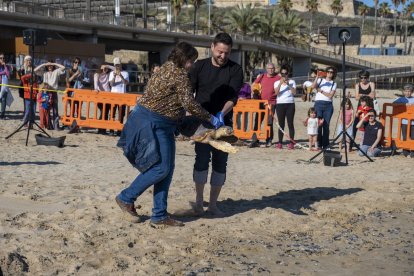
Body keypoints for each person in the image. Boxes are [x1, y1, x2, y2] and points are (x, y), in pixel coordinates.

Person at [115, 42, 221, 227]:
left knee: (167, 168)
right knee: (161, 168)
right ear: (184, 59)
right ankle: (126, 197)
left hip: (157, 122)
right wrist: (210, 117)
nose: (192, 65)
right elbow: (189, 103)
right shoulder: (179, 74)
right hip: (154, 123)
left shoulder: (165, 68)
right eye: (191, 61)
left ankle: (159, 215)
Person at [190, 32, 243, 216]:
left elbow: (232, 97)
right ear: (212, 47)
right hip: (202, 124)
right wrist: (201, 115)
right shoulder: (199, 66)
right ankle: (198, 202)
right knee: (201, 160)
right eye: (220, 52)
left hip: (223, 123)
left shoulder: (235, 69)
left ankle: (212, 204)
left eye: (226, 53)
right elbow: (189, 94)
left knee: (221, 163)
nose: (222, 56)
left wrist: (222, 113)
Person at [252, 63, 280, 147]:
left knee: (269, 122)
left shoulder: (278, 78)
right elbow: (254, 85)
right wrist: (255, 92)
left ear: (274, 69)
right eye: (269, 68)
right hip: (260, 102)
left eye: (272, 68)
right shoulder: (262, 76)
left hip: (271, 103)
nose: (270, 70)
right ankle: (255, 139)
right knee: (258, 121)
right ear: (266, 69)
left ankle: (269, 139)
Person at [312, 66, 337, 149]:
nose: (330, 73)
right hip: (318, 104)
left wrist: (320, 90)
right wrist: (317, 77)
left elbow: (330, 96)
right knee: (319, 124)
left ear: (333, 74)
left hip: (328, 105)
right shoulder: (320, 80)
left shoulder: (334, 83)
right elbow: (313, 87)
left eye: (332, 72)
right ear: (326, 72)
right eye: (328, 72)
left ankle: (325, 144)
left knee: (326, 125)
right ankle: (318, 143)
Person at [351, 70, 377, 150]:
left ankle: (369, 144)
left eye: (365, 77)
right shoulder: (358, 84)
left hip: (370, 108)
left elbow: (373, 96)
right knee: (356, 125)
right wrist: (367, 96)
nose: (363, 79)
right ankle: (351, 145)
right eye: (361, 78)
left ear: (368, 77)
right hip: (361, 108)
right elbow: (356, 97)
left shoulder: (371, 84)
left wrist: (362, 95)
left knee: (370, 125)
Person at [34, 60, 66, 124]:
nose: (50, 66)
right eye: (48, 65)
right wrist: (44, 64)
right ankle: (48, 124)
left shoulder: (56, 71)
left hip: (54, 92)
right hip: (46, 93)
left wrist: (54, 63)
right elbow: (35, 70)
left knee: (55, 110)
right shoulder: (44, 72)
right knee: (46, 109)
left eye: (51, 65)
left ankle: (56, 125)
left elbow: (63, 67)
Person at [274, 66, 296, 150]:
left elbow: (294, 93)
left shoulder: (292, 82)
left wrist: (288, 84)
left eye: (285, 73)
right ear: (280, 74)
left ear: (288, 74)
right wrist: (280, 83)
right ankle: (280, 142)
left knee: (290, 123)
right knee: (281, 124)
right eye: (282, 74)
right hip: (280, 104)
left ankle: (291, 143)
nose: (284, 75)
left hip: (290, 104)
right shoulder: (276, 82)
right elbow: (276, 93)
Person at [393, 83, 414, 158]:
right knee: (405, 137)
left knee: (412, 137)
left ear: (412, 92)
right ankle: (406, 152)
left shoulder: (413, 99)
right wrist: (403, 105)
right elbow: (394, 104)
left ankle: (412, 151)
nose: (408, 92)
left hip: (413, 123)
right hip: (404, 122)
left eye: (409, 91)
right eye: (406, 91)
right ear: (404, 92)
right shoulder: (401, 99)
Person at [109, 57, 129, 126]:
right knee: (112, 113)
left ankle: (119, 129)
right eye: (116, 65)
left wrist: (121, 76)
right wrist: (114, 77)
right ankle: (111, 128)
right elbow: (111, 84)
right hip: (113, 95)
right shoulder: (111, 73)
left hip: (122, 95)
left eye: (118, 65)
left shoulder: (125, 73)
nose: (117, 66)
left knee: (121, 113)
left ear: (121, 64)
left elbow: (126, 83)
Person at [0, 53, 10, 119]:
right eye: (1, 58)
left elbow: (8, 75)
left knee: (3, 100)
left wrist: (5, 66)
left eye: (3, 58)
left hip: (4, 85)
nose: (2, 59)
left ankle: (2, 115)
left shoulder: (7, 66)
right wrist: (3, 72)